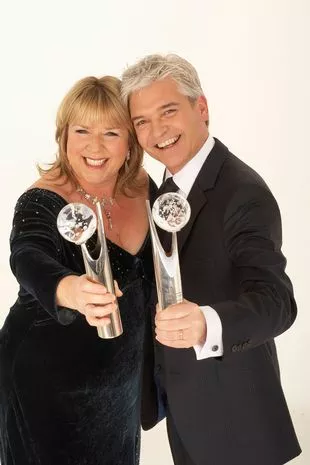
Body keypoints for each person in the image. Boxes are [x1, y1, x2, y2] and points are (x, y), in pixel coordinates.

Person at [121, 54, 302, 465]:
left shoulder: (243, 192)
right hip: (185, 410)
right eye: (142, 121)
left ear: (201, 108)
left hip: (236, 422)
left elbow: (277, 302)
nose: (157, 131)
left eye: (168, 111)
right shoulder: (158, 188)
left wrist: (208, 323)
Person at [0, 75, 157, 465]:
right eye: (81, 130)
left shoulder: (141, 186)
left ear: (130, 141)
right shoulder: (43, 198)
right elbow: (26, 254)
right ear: (63, 136)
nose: (94, 146)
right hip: (46, 384)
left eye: (111, 132)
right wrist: (68, 288)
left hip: (118, 386)